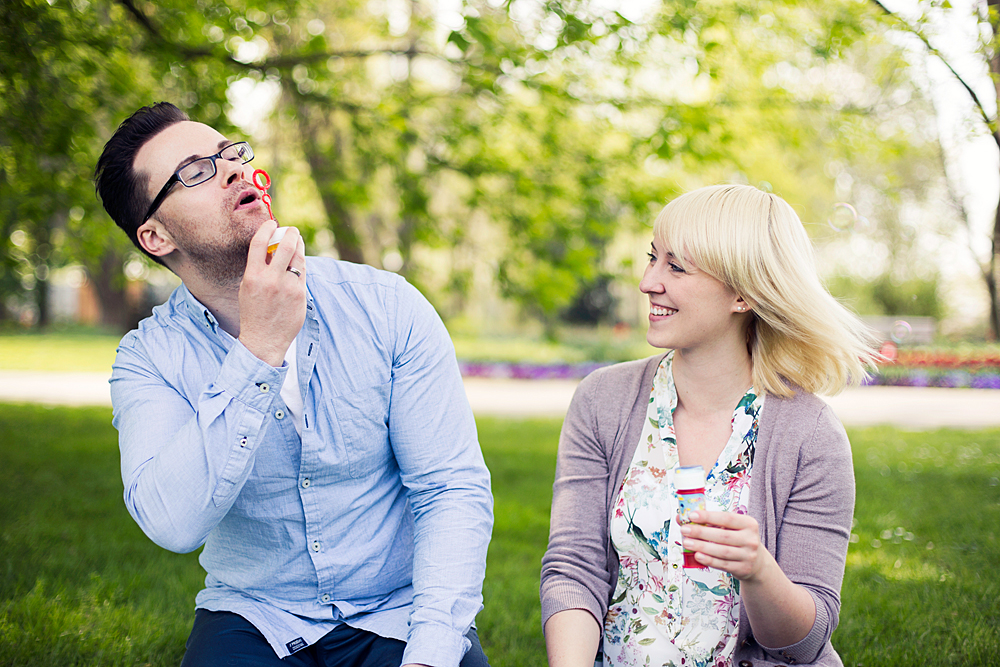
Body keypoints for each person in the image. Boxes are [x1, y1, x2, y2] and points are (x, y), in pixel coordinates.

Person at [94, 102, 493, 667]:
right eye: (196, 171)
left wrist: (430, 650)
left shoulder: (388, 307)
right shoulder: (149, 359)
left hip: (398, 610)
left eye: (230, 153)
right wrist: (258, 350)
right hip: (256, 616)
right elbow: (171, 523)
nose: (232, 169)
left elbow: (450, 490)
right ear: (156, 237)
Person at [540, 184, 880, 667]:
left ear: (743, 294)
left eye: (676, 267)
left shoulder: (811, 435)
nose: (647, 282)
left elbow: (806, 644)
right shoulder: (603, 400)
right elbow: (575, 570)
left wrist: (759, 572)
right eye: (653, 258)